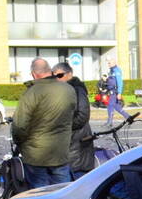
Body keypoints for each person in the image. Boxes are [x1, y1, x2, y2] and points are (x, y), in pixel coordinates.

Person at [12, 58, 76, 188]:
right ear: (50, 71)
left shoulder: (32, 93)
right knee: (63, 191)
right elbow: (72, 115)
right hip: (60, 152)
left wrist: (19, 142)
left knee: (39, 192)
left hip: (36, 155)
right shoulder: (68, 89)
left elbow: (20, 125)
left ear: (34, 74)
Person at [52, 62, 95, 179]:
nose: (56, 79)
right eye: (54, 76)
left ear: (69, 74)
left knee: (78, 177)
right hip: (67, 142)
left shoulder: (77, 90)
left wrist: (63, 125)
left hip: (78, 141)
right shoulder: (61, 90)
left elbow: (83, 115)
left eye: (59, 75)